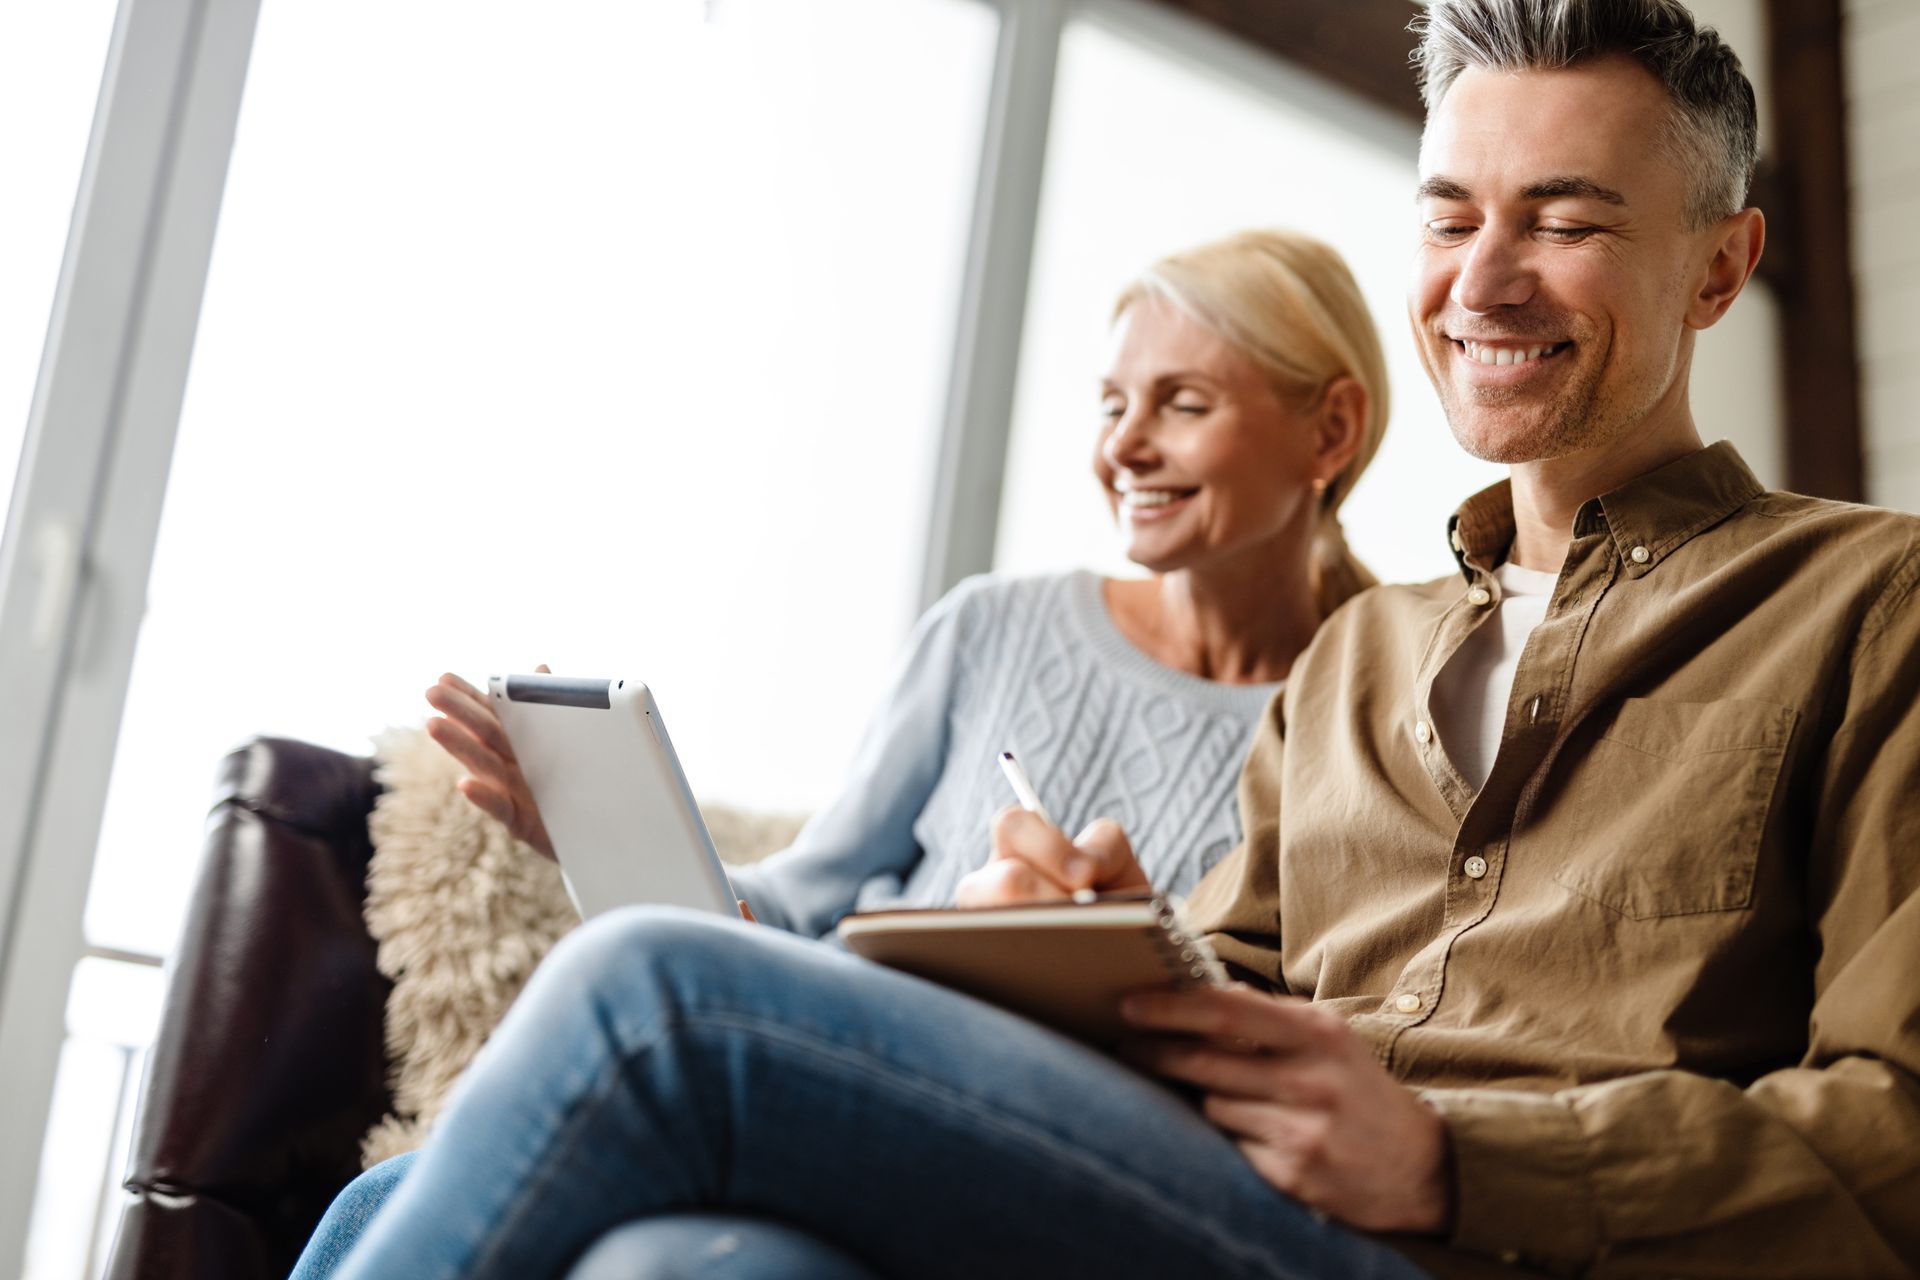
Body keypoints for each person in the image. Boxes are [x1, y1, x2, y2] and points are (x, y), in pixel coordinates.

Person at [327, 1, 1920, 1274]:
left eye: (1563, 220)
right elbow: (1221, 992)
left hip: (1485, 1245)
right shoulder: (1357, 668)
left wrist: (1451, 1158)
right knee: (691, 1264)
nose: (1483, 279)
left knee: (650, 998)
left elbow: (1901, 1130)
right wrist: (1086, 953)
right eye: (1450, 219)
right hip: (1226, 1213)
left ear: (1722, 264)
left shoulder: (1871, 607)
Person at [288, 227, 1397, 1278]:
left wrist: (1128, 957)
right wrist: (593, 828)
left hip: (1038, 1165)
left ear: (1330, 431)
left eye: (1183, 403)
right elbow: (802, 901)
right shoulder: (994, 627)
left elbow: (1335, 1037)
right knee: (402, 1210)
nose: (1124, 444)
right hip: (829, 1091)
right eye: (1111, 402)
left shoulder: (1376, 720)